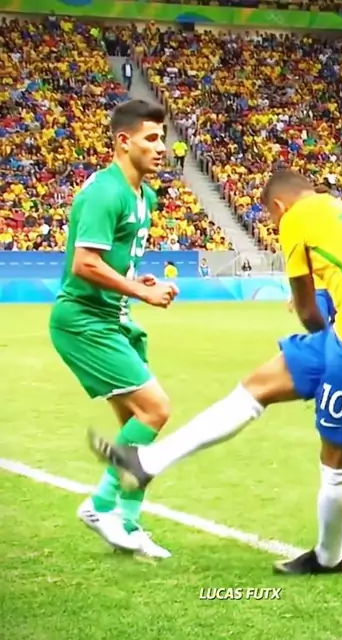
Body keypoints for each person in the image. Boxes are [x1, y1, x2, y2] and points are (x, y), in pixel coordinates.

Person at [88, 170, 342, 574]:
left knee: (337, 462)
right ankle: (147, 462)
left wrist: (320, 327)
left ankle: (329, 558)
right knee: (256, 387)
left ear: (279, 207)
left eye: (272, 220)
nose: (276, 228)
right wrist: (326, 316)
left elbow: (307, 310)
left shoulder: (296, 218)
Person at [49, 99, 179, 558]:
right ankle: (100, 506)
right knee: (155, 410)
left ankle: (128, 523)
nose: (161, 147)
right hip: (84, 321)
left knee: (136, 427)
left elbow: (114, 261)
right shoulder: (105, 192)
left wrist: (138, 281)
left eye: (163, 138)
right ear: (124, 142)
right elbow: (85, 264)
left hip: (113, 319)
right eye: (151, 138)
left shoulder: (145, 197)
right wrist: (140, 292)